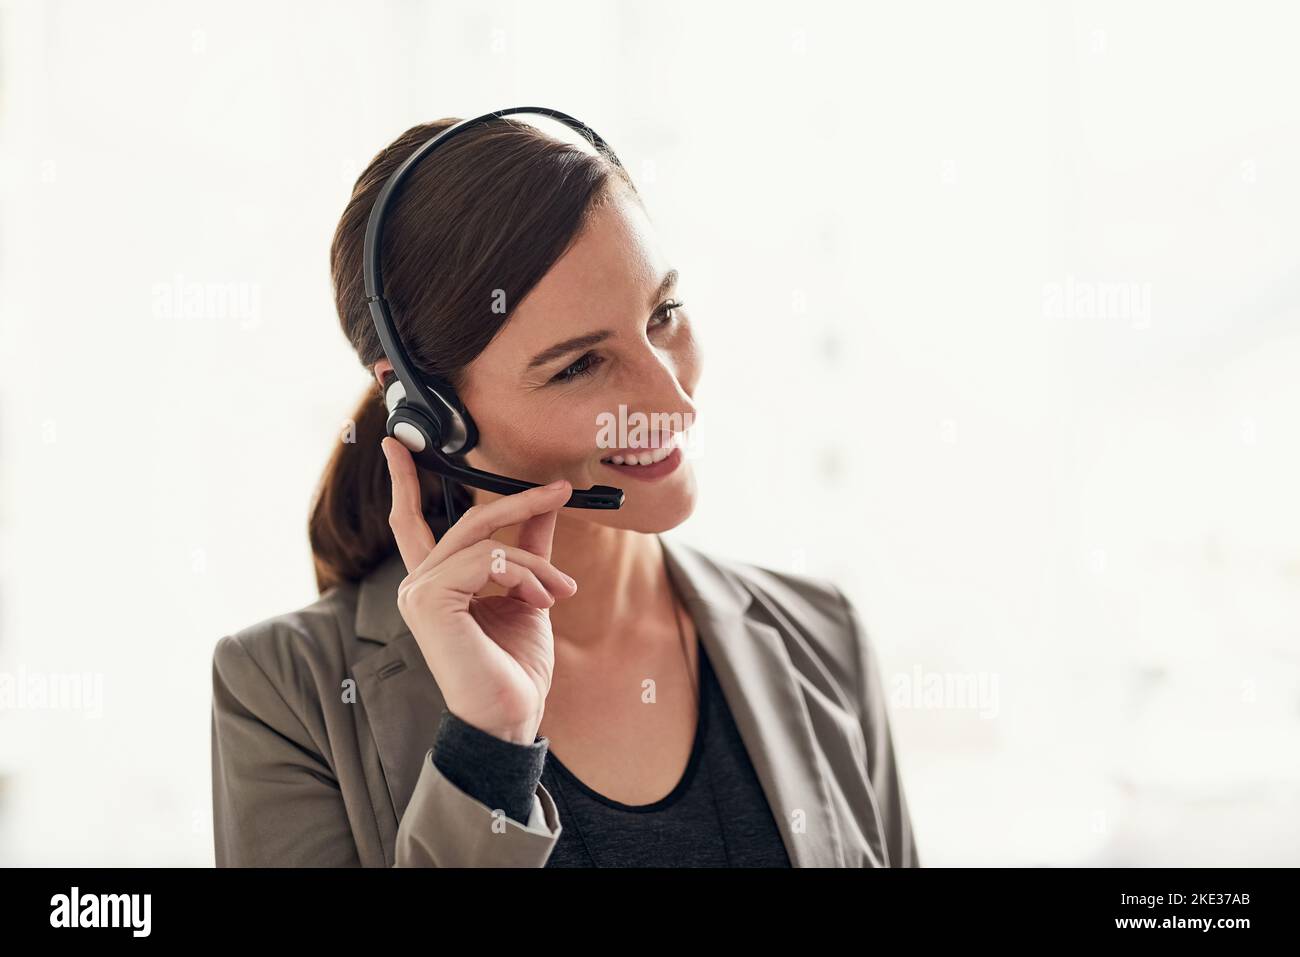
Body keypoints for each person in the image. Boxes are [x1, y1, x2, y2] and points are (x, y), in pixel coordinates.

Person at [211, 116, 918, 867]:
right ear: (426, 411)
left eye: (664, 315)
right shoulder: (286, 695)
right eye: (581, 365)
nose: (673, 405)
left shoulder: (824, 637)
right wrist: (487, 753)